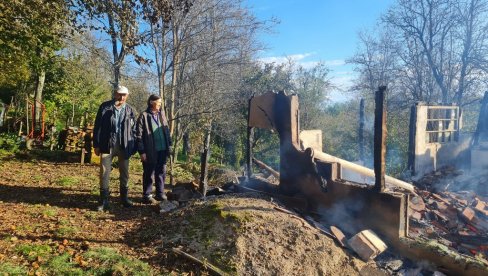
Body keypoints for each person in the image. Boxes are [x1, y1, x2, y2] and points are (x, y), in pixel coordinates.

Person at [93, 85, 137, 211]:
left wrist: (132, 145)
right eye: (120, 94)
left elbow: (133, 130)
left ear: (127, 95)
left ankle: (124, 198)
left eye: (124, 95)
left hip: (124, 145)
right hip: (107, 143)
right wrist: (96, 144)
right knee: (104, 172)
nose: (122, 97)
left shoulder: (130, 110)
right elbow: (98, 127)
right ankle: (104, 201)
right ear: (115, 94)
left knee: (124, 172)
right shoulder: (105, 106)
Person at [136, 94, 171, 204]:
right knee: (149, 173)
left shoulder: (162, 114)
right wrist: (142, 151)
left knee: (161, 171)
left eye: (160, 103)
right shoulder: (144, 116)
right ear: (151, 102)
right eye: (158, 102)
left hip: (163, 149)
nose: (160, 105)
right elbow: (138, 135)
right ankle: (147, 195)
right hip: (150, 150)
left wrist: (169, 145)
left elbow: (166, 131)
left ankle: (160, 193)